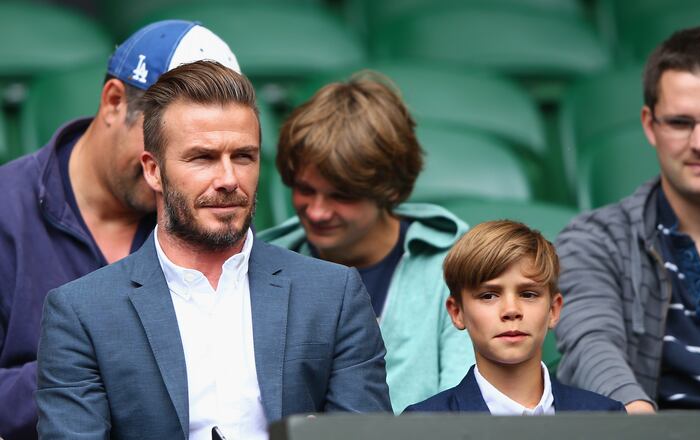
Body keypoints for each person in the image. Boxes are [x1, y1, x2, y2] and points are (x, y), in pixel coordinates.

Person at [36, 60, 391, 439]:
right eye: (202, 158)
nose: (228, 179)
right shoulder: (82, 313)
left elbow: (366, 436)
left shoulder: (333, 295)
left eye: (243, 156)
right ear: (153, 171)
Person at [0, 20, 241, 439]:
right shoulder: (7, 210)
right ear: (114, 102)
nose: (164, 174)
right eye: (159, 140)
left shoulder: (205, 215)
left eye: (195, 154)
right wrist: (90, 362)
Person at [555, 26, 700, 413]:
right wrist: (636, 418)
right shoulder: (595, 241)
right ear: (650, 125)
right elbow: (590, 344)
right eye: (680, 123)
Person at [258, 74, 474, 412]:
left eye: (341, 196)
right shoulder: (262, 264)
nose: (317, 211)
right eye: (305, 189)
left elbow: (466, 412)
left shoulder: (457, 263)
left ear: (388, 190)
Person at [405, 220, 623, 413]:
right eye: (488, 296)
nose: (511, 310)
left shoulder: (606, 417)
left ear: (553, 310)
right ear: (457, 312)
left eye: (528, 294)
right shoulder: (421, 425)